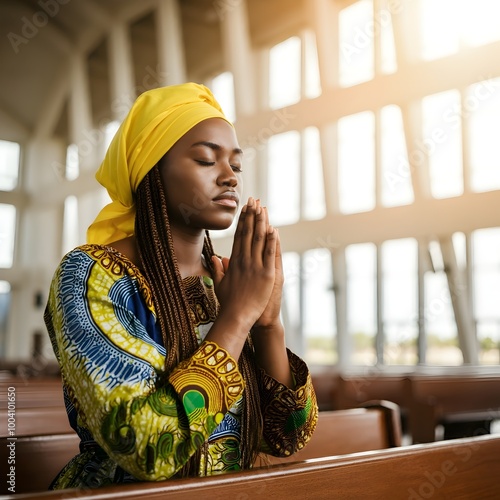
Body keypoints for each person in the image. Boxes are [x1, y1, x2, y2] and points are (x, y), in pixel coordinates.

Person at [44, 82, 318, 489]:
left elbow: (287, 437)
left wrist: (267, 325)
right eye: (207, 160)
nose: (229, 177)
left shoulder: (227, 279)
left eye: (236, 166)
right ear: (152, 168)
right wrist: (237, 318)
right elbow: (147, 447)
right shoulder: (90, 275)